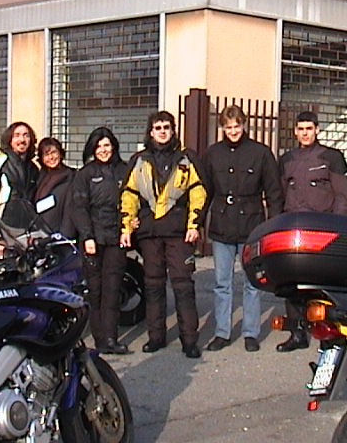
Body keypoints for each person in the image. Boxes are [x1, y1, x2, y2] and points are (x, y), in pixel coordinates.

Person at [119, 111, 207, 358]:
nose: (162, 132)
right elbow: (129, 195)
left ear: (173, 130)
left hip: (179, 233)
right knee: (153, 285)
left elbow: (198, 193)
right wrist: (126, 228)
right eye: (158, 128)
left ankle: (189, 340)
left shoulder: (186, 159)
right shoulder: (139, 160)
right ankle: (155, 337)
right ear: (150, 132)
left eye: (166, 127)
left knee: (183, 285)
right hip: (150, 233)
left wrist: (194, 225)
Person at [202, 105, 283, 353]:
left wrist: (273, 226)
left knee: (252, 283)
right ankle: (222, 332)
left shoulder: (260, 153)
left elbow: (274, 192)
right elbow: (204, 192)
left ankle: (250, 333)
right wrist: (196, 223)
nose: (233, 131)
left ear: (244, 125)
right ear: (222, 128)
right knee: (222, 283)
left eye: (237, 126)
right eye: (228, 127)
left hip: (252, 228)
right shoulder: (213, 154)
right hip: (222, 227)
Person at [276, 110, 347, 351]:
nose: (305, 133)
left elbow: (342, 195)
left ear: (317, 129)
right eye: (301, 129)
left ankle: (329, 335)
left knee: (323, 283)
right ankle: (297, 333)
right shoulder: (287, 160)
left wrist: (338, 225)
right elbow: (280, 196)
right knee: (292, 283)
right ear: (295, 132)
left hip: (322, 227)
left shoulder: (331, 157)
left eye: (309, 128)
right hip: (295, 228)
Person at [72, 127, 130, 354]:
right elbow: (79, 208)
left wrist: (129, 226)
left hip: (116, 238)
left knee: (112, 290)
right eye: (98, 146)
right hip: (93, 239)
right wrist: (87, 236)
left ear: (113, 146)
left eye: (106, 145)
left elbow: (133, 201)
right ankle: (99, 340)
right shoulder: (85, 174)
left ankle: (111, 339)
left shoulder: (124, 170)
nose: (103, 150)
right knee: (95, 291)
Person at [0, 121, 39, 254]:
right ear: (9, 139)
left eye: (26, 135)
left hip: (26, 232)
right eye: (17, 135)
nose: (22, 140)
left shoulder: (33, 168)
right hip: (5, 231)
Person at [33, 137, 75, 236]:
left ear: (60, 153)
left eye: (54, 152)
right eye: (46, 154)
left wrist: (65, 237)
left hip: (59, 234)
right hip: (40, 233)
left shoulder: (71, 176)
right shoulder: (39, 176)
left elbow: (70, 210)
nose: (51, 157)